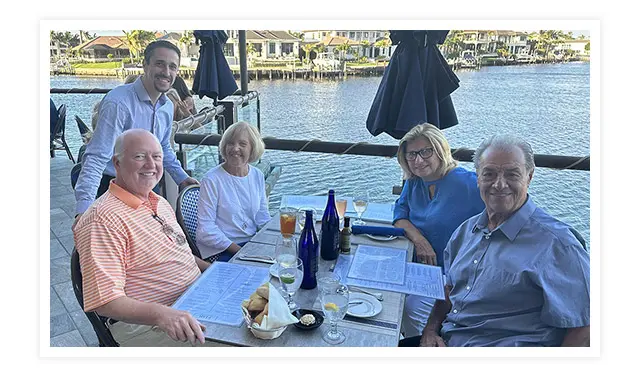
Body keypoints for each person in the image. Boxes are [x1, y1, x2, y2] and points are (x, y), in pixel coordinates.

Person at [401, 135, 590, 347]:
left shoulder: (559, 245)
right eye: (489, 174)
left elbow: (585, 327)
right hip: (448, 341)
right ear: (478, 178)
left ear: (529, 177)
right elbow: (449, 290)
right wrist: (429, 330)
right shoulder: (465, 232)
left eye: (512, 174)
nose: (499, 184)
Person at [73, 129, 212, 347]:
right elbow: (106, 301)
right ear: (116, 163)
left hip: (195, 298)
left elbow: (178, 252)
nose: (151, 165)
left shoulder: (158, 202)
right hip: (148, 324)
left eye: (156, 157)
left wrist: (214, 271)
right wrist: (162, 315)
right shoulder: (102, 219)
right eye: (139, 157)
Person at [74, 40, 198, 219]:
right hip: (113, 189)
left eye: (173, 66)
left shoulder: (167, 106)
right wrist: (83, 210)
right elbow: (96, 157)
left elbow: (162, 147)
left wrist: (182, 178)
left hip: (148, 187)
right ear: (145, 65)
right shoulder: (119, 102)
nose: (166, 72)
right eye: (159, 64)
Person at [393, 123, 485, 338]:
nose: (418, 160)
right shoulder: (414, 182)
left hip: (453, 274)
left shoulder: (468, 184)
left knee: (412, 309)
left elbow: (507, 209)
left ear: (441, 150)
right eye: (412, 154)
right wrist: (419, 240)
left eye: (426, 152)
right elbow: (400, 216)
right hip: (418, 267)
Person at [196, 121, 271, 262]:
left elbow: (262, 216)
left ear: (253, 148)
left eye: (242, 144)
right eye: (230, 143)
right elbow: (205, 231)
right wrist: (240, 251)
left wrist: (273, 239)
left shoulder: (257, 175)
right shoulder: (212, 180)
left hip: (251, 244)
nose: (235, 148)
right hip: (222, 249)